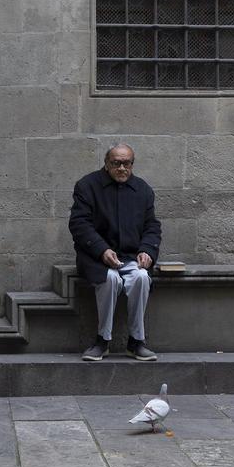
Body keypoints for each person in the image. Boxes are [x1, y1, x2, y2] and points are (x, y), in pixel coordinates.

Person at [68, 143, 162, 361]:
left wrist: (147, 251)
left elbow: (152, 227)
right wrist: (102, 250)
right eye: (116, 163)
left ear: (132, 164)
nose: (122, 168)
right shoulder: (87, 186)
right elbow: (79, 224)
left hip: (130, 257)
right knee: (110, 279)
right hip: (96, 258)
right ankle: (102, 340)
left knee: (140, 277)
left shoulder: (143, 190)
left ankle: (136, 341)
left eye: (126, 163)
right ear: (106, 163)